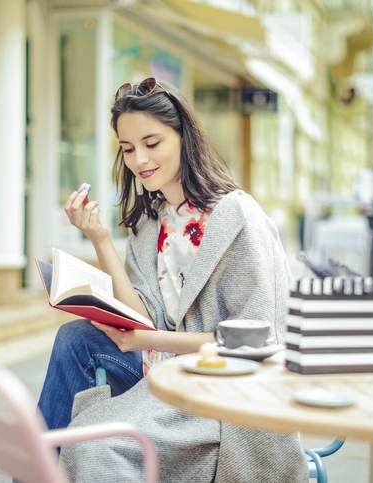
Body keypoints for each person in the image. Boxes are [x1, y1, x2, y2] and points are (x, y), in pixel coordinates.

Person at [38, 77, 306, 482]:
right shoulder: (151, 222)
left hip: (222, 389)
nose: (139, 159)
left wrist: (149, 340)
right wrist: (100, 238)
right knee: (75, 338)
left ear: (184, 138)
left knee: (94, 444)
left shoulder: (239, 219)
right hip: (165, 373)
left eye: (152, 143)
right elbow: (142, 315)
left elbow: (258, 343)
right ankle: (36, 468)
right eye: (128, 149)